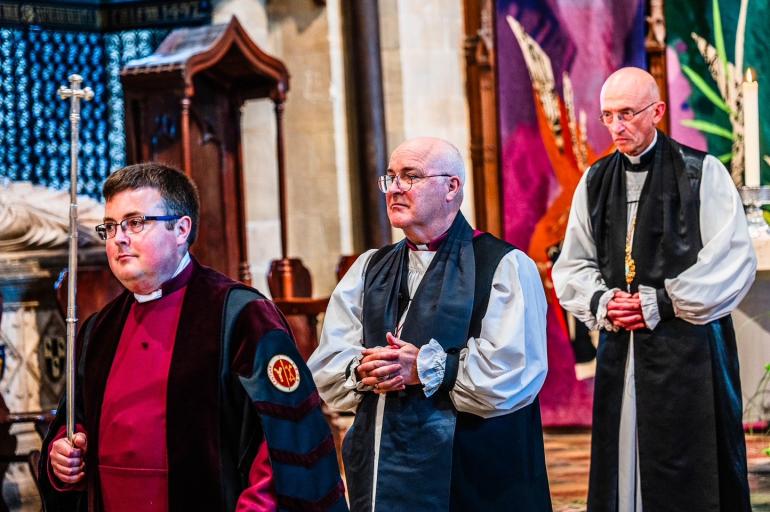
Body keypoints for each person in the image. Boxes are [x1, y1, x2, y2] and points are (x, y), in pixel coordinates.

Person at [39, 163, 347, 512]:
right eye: (110, 227)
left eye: (135, 222)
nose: (119, 237)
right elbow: (74, 424)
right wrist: (63, 458)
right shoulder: (98, 330)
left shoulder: (241, 317)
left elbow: (279, 447)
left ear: (181, 228)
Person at [308, 137, 552, 511]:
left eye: (411, 177)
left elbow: (514, 372)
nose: (395, 189)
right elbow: (327, 365)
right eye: (390, 177)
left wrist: (425, 368)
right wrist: (362, 369)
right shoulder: (369, 268)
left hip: (474, 475)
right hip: (383, 472)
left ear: (452, 187)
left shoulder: (503, 266)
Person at [552, 67, 757, 512]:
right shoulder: (595, 180)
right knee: (623, 455)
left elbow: (731, 259)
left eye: (627, 113)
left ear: (657, 111)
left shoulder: (702, 173)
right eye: (608, 115)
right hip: (621, 346)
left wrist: (661, 303)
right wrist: (602, 301)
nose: (617, 126)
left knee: (691, 461)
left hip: (689, 348)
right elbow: (572, 264)